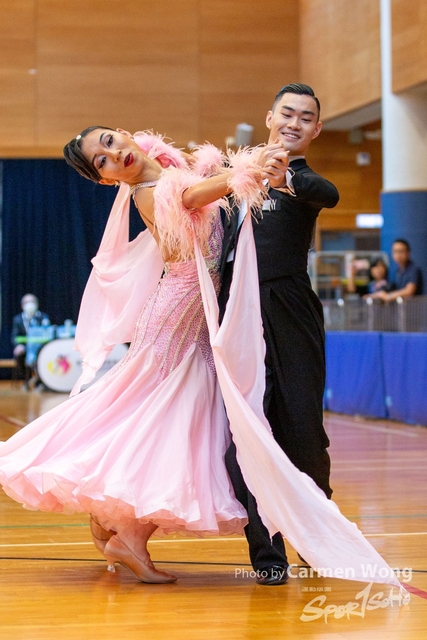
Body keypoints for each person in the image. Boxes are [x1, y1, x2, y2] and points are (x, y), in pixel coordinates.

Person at [0, 127, 401, 591]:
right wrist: (249, 167)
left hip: (199, 315)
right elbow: (196, 195)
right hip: (178, 316)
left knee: (174, 423)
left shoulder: (171, 168)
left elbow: (200, 187)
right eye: (102, 160)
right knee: (167, 420)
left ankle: (117, 524)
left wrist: (221, 166)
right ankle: (125, 532)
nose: (114, 153)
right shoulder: (152, 192)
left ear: (127, 135)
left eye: (109, 141)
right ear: (105, 180)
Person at [218, 83, 340, 585]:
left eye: (305, 117)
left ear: (316, 129)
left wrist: (285, 177)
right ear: (270, 118)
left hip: (290, 311)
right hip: (235, 315)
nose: (294, 122)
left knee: (304, 434)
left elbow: (327, 194)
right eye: (287, 113)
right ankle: (267, 555)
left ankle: (317, 535)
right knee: (244, 438)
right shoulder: (233, 177)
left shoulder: (303, 181)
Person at [11, 294, 51, 386]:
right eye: (27, 302)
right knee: (20, 355)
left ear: (37, 304)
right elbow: (15, 336)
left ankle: (40, 381)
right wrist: (18, 346)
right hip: (25, 347)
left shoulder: (43, 317)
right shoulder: (18, 319)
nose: (30, 304)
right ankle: (28, 379)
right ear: (22, 305)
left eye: (32, 302)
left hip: (40, 347)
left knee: (43, 355)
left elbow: (48, 333)